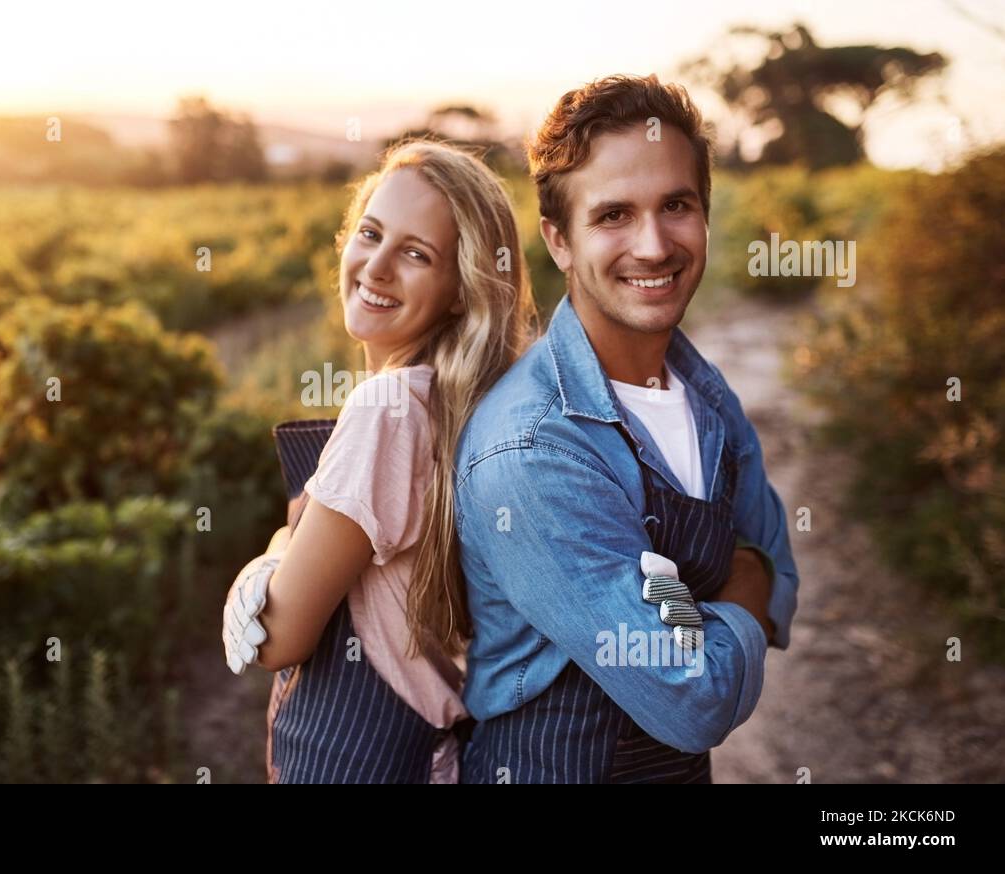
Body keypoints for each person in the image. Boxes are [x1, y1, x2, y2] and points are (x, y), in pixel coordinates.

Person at [455, 75, 800, 783]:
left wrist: (746, 584)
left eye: (676, 205)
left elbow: (782, 578)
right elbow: (693, 699)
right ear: (559, 240)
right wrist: (742, 581)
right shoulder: (531, 448)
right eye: (613, 215)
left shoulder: (704, 392)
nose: (653, 245)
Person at [222, 139, 538, 783]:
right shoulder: (458, 402)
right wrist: (288, 543)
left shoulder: (387, 409)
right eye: (370, 233)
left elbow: (279, 638)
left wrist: (264, 565)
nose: (377, 267)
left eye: (417, 253)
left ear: (461, 290)